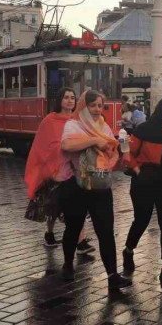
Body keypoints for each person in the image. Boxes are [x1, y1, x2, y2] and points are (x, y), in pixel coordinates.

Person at [59, 91, 132, 289]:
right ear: (83, 106)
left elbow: (109, 154)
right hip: (77, 185)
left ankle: (112, 275)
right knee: (73, 228)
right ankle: (67, 264)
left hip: (100, 185)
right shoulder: (73, 124)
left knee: (106, 230)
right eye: (93, 105)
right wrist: (93, 140)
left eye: (100, 105)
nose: (97, 109)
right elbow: (66, 144)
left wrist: (119, 153)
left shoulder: (105, 127)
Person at [122, 98, 162, 290]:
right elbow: (128, 152)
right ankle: (128, 250)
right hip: (144, 183)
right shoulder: (143, 130)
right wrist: (136, 170)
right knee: (141, 220)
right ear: (160, 113)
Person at [24, 88, 94, 253]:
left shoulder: (78, 120)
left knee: (80, 205)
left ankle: (80, 241)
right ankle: (49, 234)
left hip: (76, 169)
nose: (70, 100)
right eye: (66, 97)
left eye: (72, 98)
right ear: (60, 100)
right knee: (52, 208)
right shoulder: (50, 120)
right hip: (55, 170)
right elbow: (43, 145)